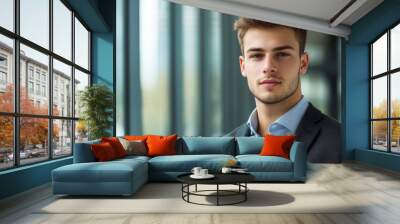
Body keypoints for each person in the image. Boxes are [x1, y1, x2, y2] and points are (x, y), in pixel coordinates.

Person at [226, 18, 341, 163]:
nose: (268, 67)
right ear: (243, 66)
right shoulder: (224, 148)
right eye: (256, 55)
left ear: (303, 63)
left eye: (281, 54)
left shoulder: (342, 142)